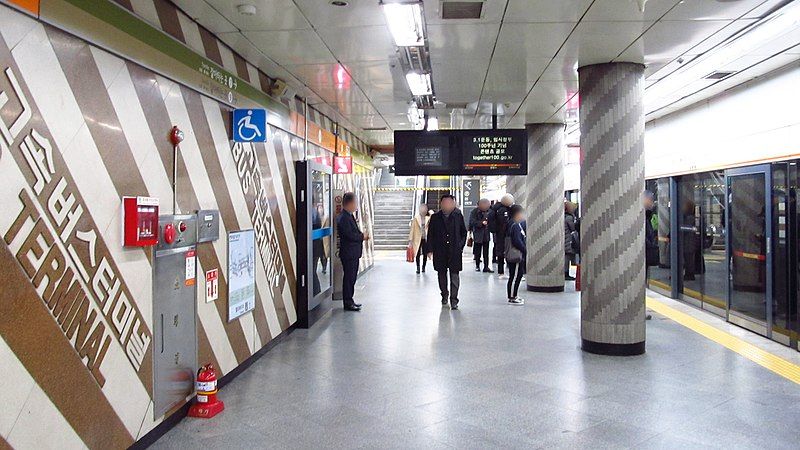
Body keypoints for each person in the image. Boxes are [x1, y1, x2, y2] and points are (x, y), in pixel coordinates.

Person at [427, 194, 467, 310]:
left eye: (450, 203)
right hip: (440, 250)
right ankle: (444, 294)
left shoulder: (458, 215)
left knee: (455, 275)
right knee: (441, 274)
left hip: (455, 250)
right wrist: (430, 250)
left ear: (453, 203)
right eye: (445, 203)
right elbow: (431, 235)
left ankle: (454, 300)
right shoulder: (435, 217)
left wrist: (460, 246)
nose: (448, 205)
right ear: (441, 204)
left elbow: (463, 232)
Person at [336, 192, 369, 311]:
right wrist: (362, 237)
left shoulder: (349, 216)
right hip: (349, 253)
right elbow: (349, 235)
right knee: (349, 278)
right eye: (355, 203)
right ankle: (348, 302)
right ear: (350, 203)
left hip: (353, 253)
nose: (356, 206)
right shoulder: (343, 218)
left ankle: (350, 300)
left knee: (351, 277)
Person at [506, 205, 527, 305]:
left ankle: (514, 295)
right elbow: (516, 241)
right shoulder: (514, 225)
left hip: (517, 254)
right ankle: (512, 296)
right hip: (516, 254)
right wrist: (524, 250)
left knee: (515, 275)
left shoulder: (515, 224)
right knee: (514, 276)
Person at [490, 193, 514, 277]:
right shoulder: (503, 210)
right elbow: (504, 222)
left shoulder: (496, 208)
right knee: (504, 251)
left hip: (499, 233)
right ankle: (502, 272)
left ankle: (501, 272)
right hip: (503, 234)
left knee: (500, 251)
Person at [468, 199, 493, 273]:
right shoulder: (474, 212)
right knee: (477, 251)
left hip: (486, 234)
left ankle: (486, 267)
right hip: (478, 234)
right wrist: (481, 223)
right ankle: (477, 266)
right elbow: (472, 222)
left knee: (486, 252)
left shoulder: (490, 212)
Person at [408, 204, 430, 274]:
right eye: (422, 208)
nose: (423, 209)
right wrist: (410, 240)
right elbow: (412, 229)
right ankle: (418, 267)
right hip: (417, 238)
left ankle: (423, 267)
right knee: (417, 253)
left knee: (425, 253)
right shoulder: (416, 218)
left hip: (425, 238)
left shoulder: (428, 218)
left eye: (425, 208)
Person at [564, 201, 579, 281]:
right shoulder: (569, 218)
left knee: (567, 256)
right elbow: (573, 228)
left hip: (566, 239)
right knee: (568, 256)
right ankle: (566, 273)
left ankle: (566, 272)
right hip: (569, 239)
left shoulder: (564, 216)